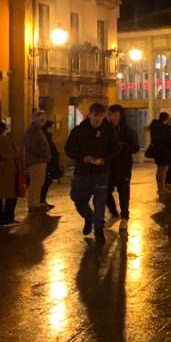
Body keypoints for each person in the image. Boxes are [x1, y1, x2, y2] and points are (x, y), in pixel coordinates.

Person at [64, 102, 118, 243]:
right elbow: (68, 149)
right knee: (77, 198)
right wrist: (82, 157)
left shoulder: (108, 130)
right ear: (90, 115)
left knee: (100, 201)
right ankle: (89, 217)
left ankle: (98, 230)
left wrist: (105, 160)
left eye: (101, 116)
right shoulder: (79, 130)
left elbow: (114, 149)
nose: (98, 119)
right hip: (82, 172)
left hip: (101, 172)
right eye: (96, 116)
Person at [105, 104, 140, 220]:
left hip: (123, 166)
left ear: (121, 115)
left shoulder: (128, 130)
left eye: (115, 114)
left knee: (124, 193)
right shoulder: (106, 130)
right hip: (108, 167)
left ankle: (124, 215)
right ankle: (113, 211)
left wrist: (123, 146)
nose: (113, 117)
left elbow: (135, 147)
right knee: (105, 190)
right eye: (110, 114)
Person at [23, 110, 51, 213]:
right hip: (36, 161)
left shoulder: (37, 129)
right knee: (36, 183)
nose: (44, 121)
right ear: (36, 119)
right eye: (41, 119)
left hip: (39, 161)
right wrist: (43, 153)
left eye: (44, 119)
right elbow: (31, 147)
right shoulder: (33, 131)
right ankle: (33, 205)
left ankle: (36, 204)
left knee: (39, 183)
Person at [0, 122, 23, 227]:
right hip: (7, 171)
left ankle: (1, 219)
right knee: (12, 195)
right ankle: (8, 219)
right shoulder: (5, 141)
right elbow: (12, 155)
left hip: (5, 170)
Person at [149, 113, 171, 194]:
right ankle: (163, 188)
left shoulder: (154, 127)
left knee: (159, 170)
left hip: (157, 151)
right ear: (166, 119)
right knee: (163, 170)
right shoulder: (165, 128)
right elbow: (169, 141)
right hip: (165, 152)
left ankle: (159, 187)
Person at [41, 121, 60, 209]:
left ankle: (43, 201)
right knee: (45, 183)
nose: (53, 129)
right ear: (47, 128)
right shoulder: (44, 138)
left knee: (47, 182)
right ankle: (41, 201)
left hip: (50, 163)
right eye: (51, 127)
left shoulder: (48, 137)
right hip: (48, 164)